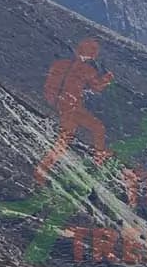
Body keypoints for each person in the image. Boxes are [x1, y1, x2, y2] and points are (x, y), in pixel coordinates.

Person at [35, 38, 114, 184]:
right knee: (95, 129)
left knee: (71, 136)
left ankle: (43, 170)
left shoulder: (60, 64)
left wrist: (54, 101)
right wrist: (107, 79)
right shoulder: (87, 69)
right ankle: (98, 161)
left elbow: (49, 85)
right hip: (71, 107)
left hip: (63, 104)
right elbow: (95, 87)